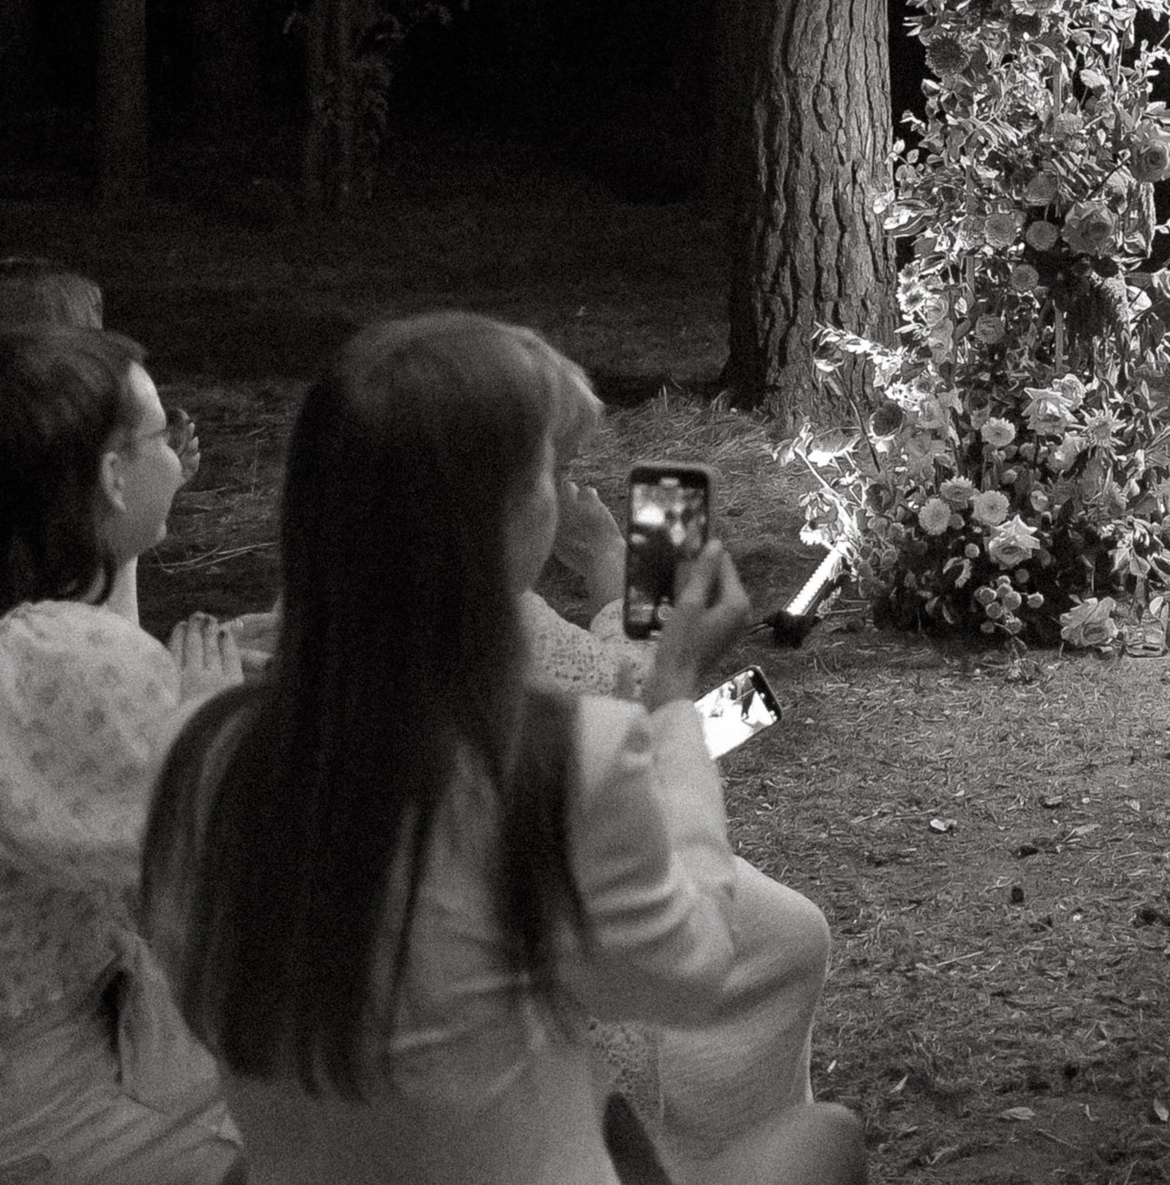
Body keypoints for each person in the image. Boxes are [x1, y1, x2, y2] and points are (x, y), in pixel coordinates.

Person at [141, 312, 864, 1185]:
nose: (567, 498)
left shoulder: (198, 748)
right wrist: (673, 699)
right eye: (553, 473)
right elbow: (693, 971)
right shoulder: (560, 760)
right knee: (826, 1136)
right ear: (492, 517)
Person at [0, 318, 248, 1185]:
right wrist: (206, 726)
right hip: (61, 1100)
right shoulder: (70, 659)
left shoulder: (35, 641)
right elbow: (224, 848)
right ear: (110, 475)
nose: (179, 459)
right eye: (158, 438)